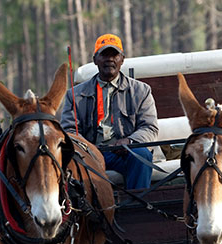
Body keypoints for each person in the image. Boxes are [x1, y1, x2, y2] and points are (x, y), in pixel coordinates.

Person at [60, 34, 159, 190]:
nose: (110, 59)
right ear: (95, 60)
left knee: (142, 155)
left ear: (122, 59)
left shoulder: (141, 90)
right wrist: (88, 148)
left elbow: (149, 127)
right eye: (104, 54)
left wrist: (129, 141)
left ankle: (137, 208)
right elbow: (68, 130)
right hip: (90, 154)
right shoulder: (75, 94)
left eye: (114, 55)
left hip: (123, 153)